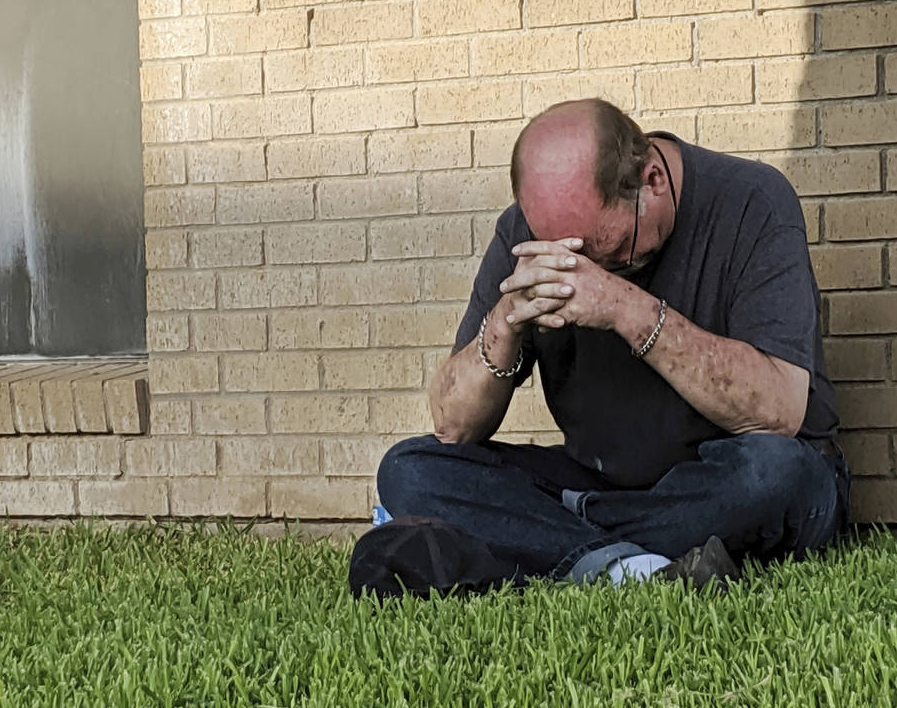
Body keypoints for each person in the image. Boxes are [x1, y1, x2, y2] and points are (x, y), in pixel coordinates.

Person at [357, 98, 850, 596]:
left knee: (775, 473)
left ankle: (552, 544)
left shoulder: (753, 201)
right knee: (409, 469)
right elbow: (453, 426)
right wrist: (507, 321)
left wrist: (622, 306)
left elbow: (780, 411)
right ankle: (632, 568)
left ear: (652, 179)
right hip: (596, 481)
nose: (589, 269)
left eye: (607, 251)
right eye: (569, 255)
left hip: (725, 477)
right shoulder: (524, 234)